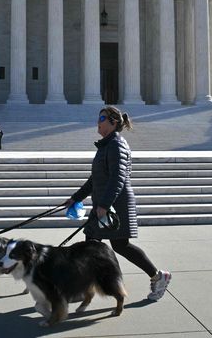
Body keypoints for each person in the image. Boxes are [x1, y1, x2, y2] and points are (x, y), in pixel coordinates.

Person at [64, 106, 171, 301]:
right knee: (91, 245)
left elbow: (118, 178)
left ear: (114, 122)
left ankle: (158, 276)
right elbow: (94, 179)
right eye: (98, 118)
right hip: (104, 203)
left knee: (120, 245)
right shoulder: (106, 145)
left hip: (114, 204)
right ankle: (84, 288)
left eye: (102, 118)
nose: (98, 121)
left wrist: (104, 204)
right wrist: (76, 198)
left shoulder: (117, 145)